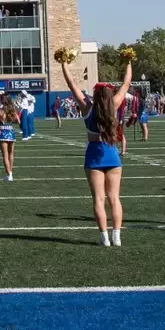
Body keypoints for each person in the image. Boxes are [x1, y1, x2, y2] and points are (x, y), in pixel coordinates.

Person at [60, 52, 131, 245]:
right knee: (114, 198)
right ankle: (117, 235)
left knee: (99, 199)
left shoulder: (86, 107)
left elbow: (72, 85)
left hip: (94, 156)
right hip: (112, 155)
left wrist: (64, 64)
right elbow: (126, 84)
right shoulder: (113, 106)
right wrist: (128, 62)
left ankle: (104, 237)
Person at [0, 93, 20, 182]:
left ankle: (9, 174)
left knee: (5, 155)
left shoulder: (0, 111)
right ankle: (10, 173)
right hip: (11, 132)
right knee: (11, 153)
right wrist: (10, 121)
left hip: (2, 132)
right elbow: (18, 121)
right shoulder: (13, 110)